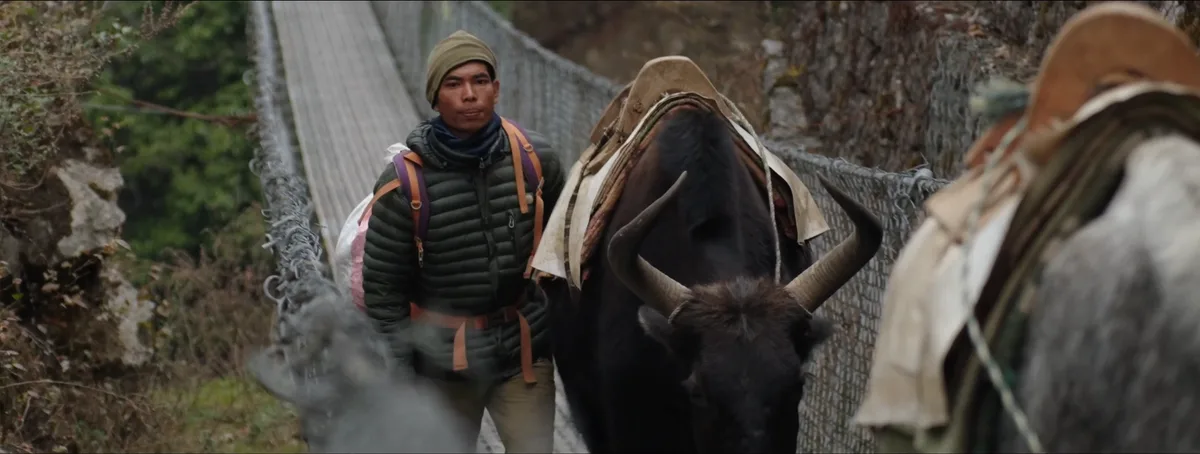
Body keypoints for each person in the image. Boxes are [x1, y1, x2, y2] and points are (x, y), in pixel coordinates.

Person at [358, 30, 565, 452]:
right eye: (454, 84)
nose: (469, 95)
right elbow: (383, 292)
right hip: (441, 369)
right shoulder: (402, 186)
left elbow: (568, 254)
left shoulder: (536, 161)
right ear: (435, 98)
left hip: (521, 356)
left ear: (496, 89)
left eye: (480, 81)